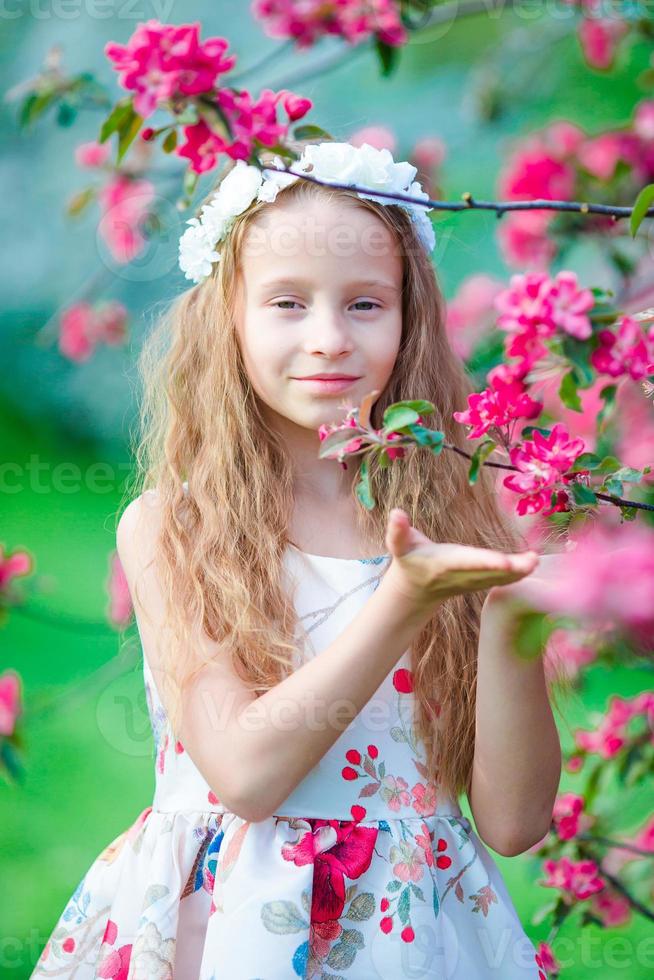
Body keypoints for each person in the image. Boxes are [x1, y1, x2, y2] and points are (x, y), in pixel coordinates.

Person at [32, 139, 561, 979]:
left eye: (363, 305)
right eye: (286, 302)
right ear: (228, 318)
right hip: (232, 925)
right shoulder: (175, 528)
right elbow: (247, 774)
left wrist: (510, 610)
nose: (327, 340)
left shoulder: (463, 514)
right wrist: (405, 600)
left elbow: (514, 820)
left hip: (413, 927)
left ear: (409, 319)